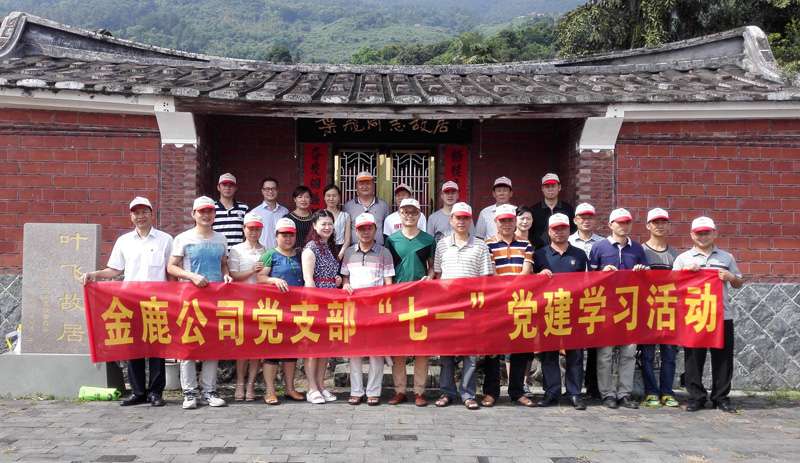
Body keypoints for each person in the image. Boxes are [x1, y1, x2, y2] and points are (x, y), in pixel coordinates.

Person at [81, 196, 174, 408]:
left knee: (157, 348)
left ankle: (155, 392)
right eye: (136, 213)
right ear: (131, 216)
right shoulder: (124, 241)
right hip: (130, 301)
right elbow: (116, 269)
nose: (140, 216)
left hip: (157, 302)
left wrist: (172, 296)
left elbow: (170, 271)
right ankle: (138, 392)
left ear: (152, 214)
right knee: (133, 347)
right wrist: (94, 274)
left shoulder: (165, 239)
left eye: (144, 212)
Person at [168, 196, 233, 410]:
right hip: (190, 299)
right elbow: (171, 267)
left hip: (215, 300)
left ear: (214, 214)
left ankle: (209, 391)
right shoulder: (183, 238)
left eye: (210, 211)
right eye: (201, 212)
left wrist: (226, 275)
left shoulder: (221, 239)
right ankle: (189, 393)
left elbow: (223, 264)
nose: (206, 215)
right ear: (193, 214)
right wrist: (191, 276)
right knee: (189, 346)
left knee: (211, 346)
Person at [674, 216, 743, 414]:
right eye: (699, 233)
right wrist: (684, 272)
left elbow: (738, 283)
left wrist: (730, 277)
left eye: (707, 233)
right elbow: (671, 284)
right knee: (694, 358)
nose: (703, 236)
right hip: (694, 315)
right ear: (692, 235)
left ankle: (721, 397)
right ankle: (696, 397)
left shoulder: (726, 258)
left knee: (723, 358)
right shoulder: (683, 258)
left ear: (715, 234)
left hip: (721, 315)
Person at [433, 202, 493, 410]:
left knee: (471, 355)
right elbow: (438, 275)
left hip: (471, 308)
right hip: (447, 308)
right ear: (451, 220)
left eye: (465, 218)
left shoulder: (480, 245)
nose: (461, 221)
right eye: (458, 218)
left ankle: (468, 394)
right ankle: (447, 392)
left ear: (471, 221)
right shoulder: (442, 245)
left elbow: (485, 279)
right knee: (446, 354)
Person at [588, 208, 649, 410]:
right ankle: (607, 393)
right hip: (606, 307)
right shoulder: (599, 247)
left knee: (628, 353)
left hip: (631, 307)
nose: (624, 226)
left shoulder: (637, 248)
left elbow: (649, 277)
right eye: (620, 223)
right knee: (605, 354)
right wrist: (602, 272)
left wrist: (641, 272)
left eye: (627, 223)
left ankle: (624, 393)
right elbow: (588, 279)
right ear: (610, 225)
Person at [533, 214, 589, 410]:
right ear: (549, 231)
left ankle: (574, 393)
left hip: (573, 311)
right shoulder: (540, 255)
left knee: (575, 356)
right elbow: (530, 284)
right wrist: (538, 276)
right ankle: (551, 393)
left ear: (569, 230)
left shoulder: (579, 255)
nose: (559, 232)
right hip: (548, 311)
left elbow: (588, 282)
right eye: (555, 229)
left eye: (563, 228)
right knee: (549, 355)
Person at [384, 198, 436, 407]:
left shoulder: (428, 240)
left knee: (421, 345)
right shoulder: (392, 240)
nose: (409, 216)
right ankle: (400, 390)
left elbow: (432, 267)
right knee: (399, 345)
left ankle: (419, 391)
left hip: (421, 297)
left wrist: (429, 278)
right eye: (405, 212)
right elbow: (387, 269)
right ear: (400, 214)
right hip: (398, 297)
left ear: (419, 215)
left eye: (414, 212)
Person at [341, 213, 395, 406]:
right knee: (355, 351)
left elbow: (388, 282)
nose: (365, 232)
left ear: (375, 230)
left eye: (369, 228)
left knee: (376, 352)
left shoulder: (384, 252)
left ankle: (373, 391)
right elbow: (345, 277)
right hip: (354, 308)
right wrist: (345, 284)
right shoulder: (349, 252)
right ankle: (356, 391)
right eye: (361, 229)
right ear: (356, 231)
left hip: (376, 309)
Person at [485, 204, 534, 408]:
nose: (506, 224)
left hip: (520, 302)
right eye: (502, 221)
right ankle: (491, 392)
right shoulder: (487, 244)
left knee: (519, 349)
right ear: (495, 222)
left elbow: (526, 271)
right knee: (493, 350)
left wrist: (511, 289)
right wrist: (507, 290)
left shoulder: (525, 243)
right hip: (496, 304)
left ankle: (517, 392)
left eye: (509, 220)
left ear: (515, 222)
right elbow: (492, 273)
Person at [256, 217, 306, 405]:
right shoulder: (270, 255)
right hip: (274, 309)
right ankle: (269, 390)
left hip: (296, 309)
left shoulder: (300, 254)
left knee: (291, 350)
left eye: (291, 235)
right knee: (273, 351)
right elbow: (260, 278)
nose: (288, 238)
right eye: (284, 235)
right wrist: (273, 280)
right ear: (276, 236)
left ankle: (290, 388)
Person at [640, 208, 681, 408]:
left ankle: (667, 392)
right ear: (648, 226)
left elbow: (682, 284)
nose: (659, 226)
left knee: (669, 355)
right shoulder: (640, 251)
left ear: (668, 226)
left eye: (663, 222)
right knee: (647, 355)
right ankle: (650, 392)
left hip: (669, 311)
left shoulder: (675, 255)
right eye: (655, 222)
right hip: (646, 311)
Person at [301, 210, 341, 404]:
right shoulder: (311, 248)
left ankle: (320, 384)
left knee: (325, 346)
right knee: (312, 346)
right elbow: (308, 278)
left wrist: (337, 279)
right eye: (323, 224)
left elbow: (330, 273)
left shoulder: (330, 247)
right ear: (314, 226)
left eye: (330, 224)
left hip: (331, 300)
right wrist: (314, 305)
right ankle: (311, 388)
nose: (327, 227)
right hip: (315, 301)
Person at [228, 211, 266, 402]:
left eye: (257, 229)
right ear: (244, 229)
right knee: (242, 345)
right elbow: (233, 275)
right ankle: (239, 382)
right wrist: (252, 270)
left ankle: (251, 383)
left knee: (257, 344)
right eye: (250, 228)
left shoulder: (265, 250)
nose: (253, 232)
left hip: (260, 303)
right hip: (242, 301)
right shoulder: (236, 250)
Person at [568, 202, 604, 399]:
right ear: (575, 220)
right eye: (582, 218)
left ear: (595, 220)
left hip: (596, 298)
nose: (586, 221)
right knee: (573, 346)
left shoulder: (603, 243)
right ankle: (571, 387)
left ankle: (593, 386)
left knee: (595, 344)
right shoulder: (567, 241)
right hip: (571, 299)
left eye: (590, 217)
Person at [342, 171, 391, 245]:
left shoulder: (383, 205)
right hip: (354, 249)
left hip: (378, 248)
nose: (364, 187)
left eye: (368, 183)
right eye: (361, 184)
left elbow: (387, 230)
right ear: (356, 186)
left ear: (373, 185)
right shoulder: (348, 206)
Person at [531, 173, 576, 248]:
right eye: (547, 186)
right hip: (540, 251)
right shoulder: (534, 210)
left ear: (559, 187)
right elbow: (530, 233)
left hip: (564, 250)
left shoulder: (568, 209)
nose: (550, 189)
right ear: (542, 189)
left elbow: (573, 231)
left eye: (553, 186)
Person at [213, 173, 249, 250]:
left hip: (238, 254)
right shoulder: (211, 208)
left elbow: (247, 233)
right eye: (224, 185)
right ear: (218, 187)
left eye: (231, 185)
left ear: (235, 188)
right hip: (218, 253)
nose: (227, 188)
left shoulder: (244, 208)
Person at [251, 177, 289, 250]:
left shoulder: (284, 212)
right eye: (267, 189)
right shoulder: (255, 212)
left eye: (273, 189)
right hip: (262, 252)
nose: (270, 191)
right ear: (262, 191)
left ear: (277, 190)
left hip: (281, 252)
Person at [323, 184, 351, 261]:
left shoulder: (345, 216)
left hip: (340, 250)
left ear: (339, 197)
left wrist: (341, 253)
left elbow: (347, 240)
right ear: (324, 197)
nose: (331, 198)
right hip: (323, 249)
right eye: (328, 196)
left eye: (334, 196)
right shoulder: (319, 215)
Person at [285, 185, 315, 250]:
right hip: (292, 253)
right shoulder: (287, 219)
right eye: (300, 197)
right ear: (295, 199)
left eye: (306, 197)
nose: (303, 200)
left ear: (310, 199)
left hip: (312, 253)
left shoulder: (315, 218)